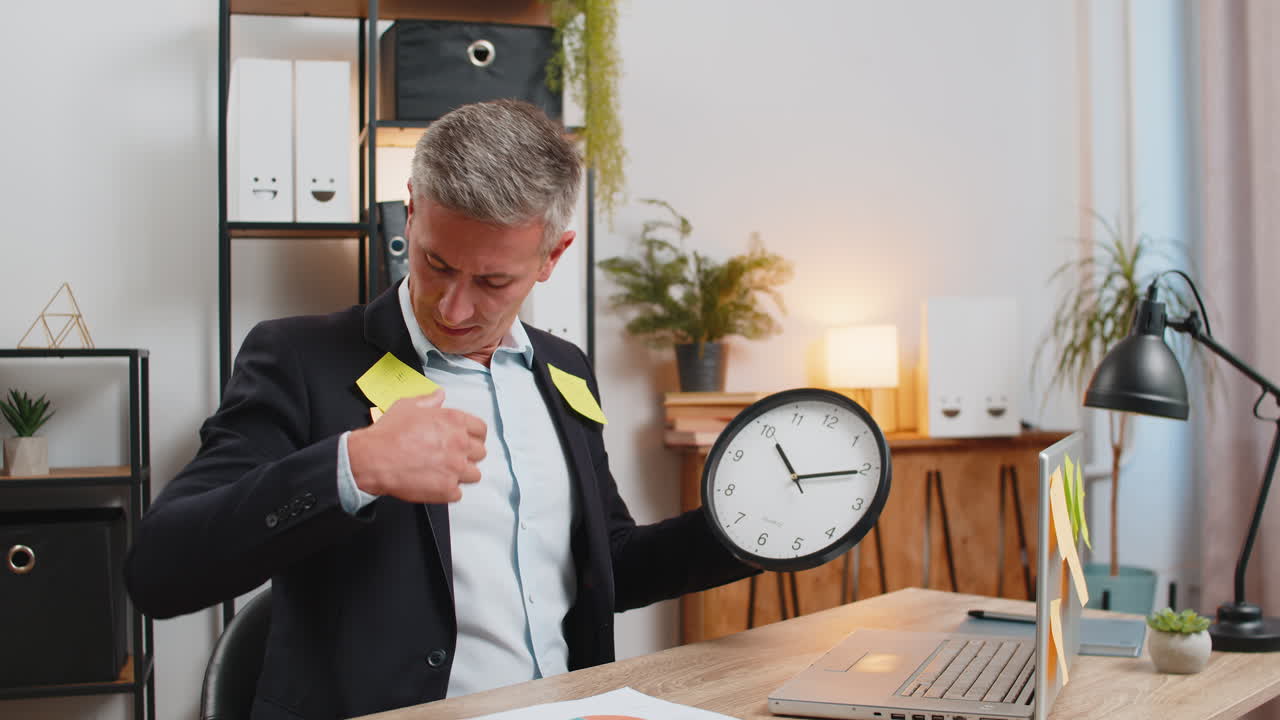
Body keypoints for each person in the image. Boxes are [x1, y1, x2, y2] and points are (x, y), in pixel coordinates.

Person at [124, 99, 757, 720]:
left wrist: (747, 533)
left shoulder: (565, 368)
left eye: (492, 282)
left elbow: (606, 564)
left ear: (552, 257)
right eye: (436, 263)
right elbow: (160, 571)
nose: (454, 310)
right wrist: (350, 467)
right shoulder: (298, 358)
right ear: (411, 215)